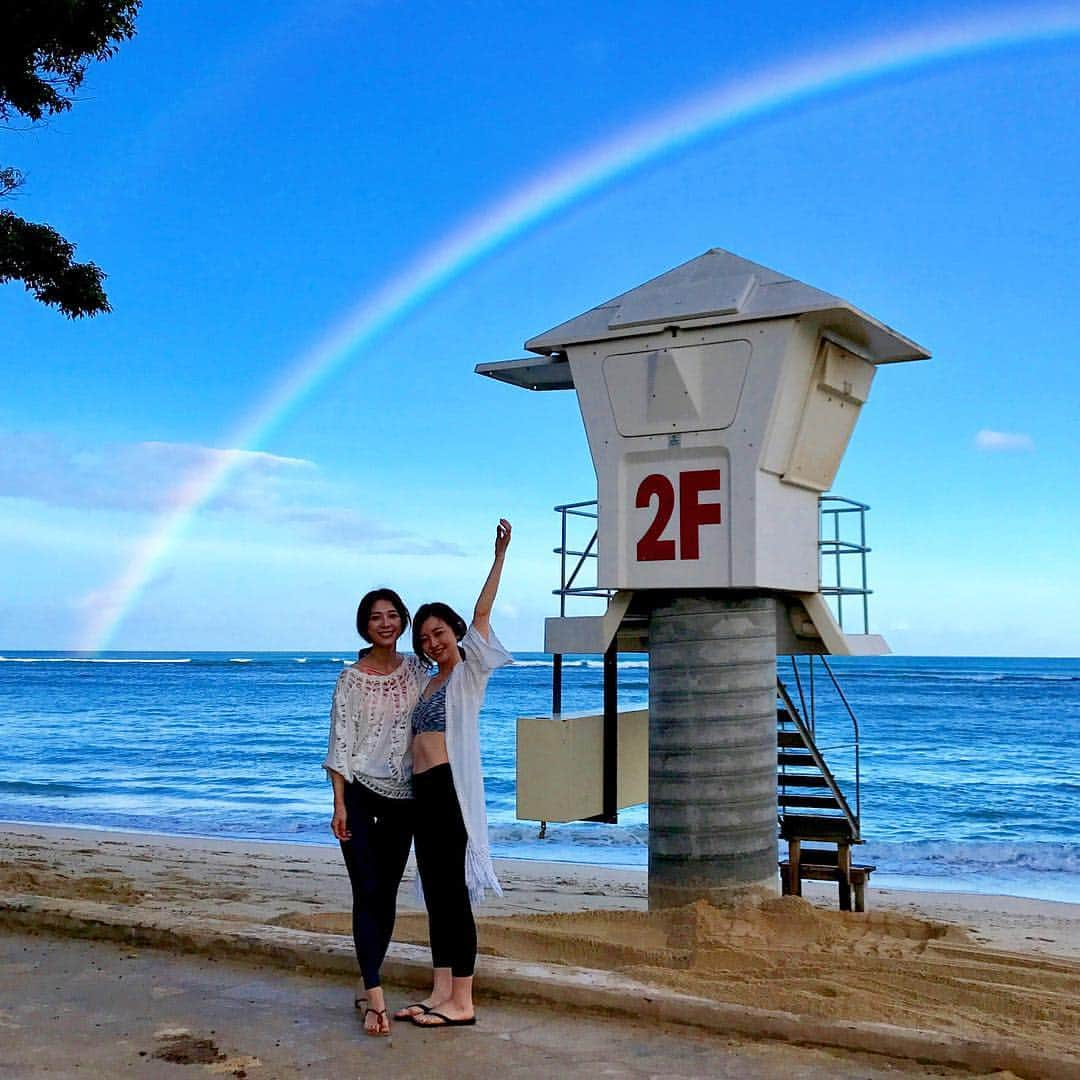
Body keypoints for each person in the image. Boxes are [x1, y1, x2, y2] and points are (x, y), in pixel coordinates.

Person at [394, 519, 513, 1029]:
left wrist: (499, 556)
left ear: (455, 633)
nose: (433, 642)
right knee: (437, 894)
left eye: (439, 632)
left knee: (456, 896)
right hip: (422, 792)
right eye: (425, 638)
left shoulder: (468, 671)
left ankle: (462, 1000)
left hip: (450, 792)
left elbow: (483, 610)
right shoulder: (424, 682)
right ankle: (441, 990)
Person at [323, 587, 427, 1037]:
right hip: (361, 797)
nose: (384, 623)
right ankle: (376, 996)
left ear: (403, 621)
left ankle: (368, 984)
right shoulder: (350, 679)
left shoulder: (418, 671)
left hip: (405, 799)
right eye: (375, 617)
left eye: (391, 615)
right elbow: (341, 743)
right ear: (364, 625)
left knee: (385, 896)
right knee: (366, 892)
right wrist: (339, 804)